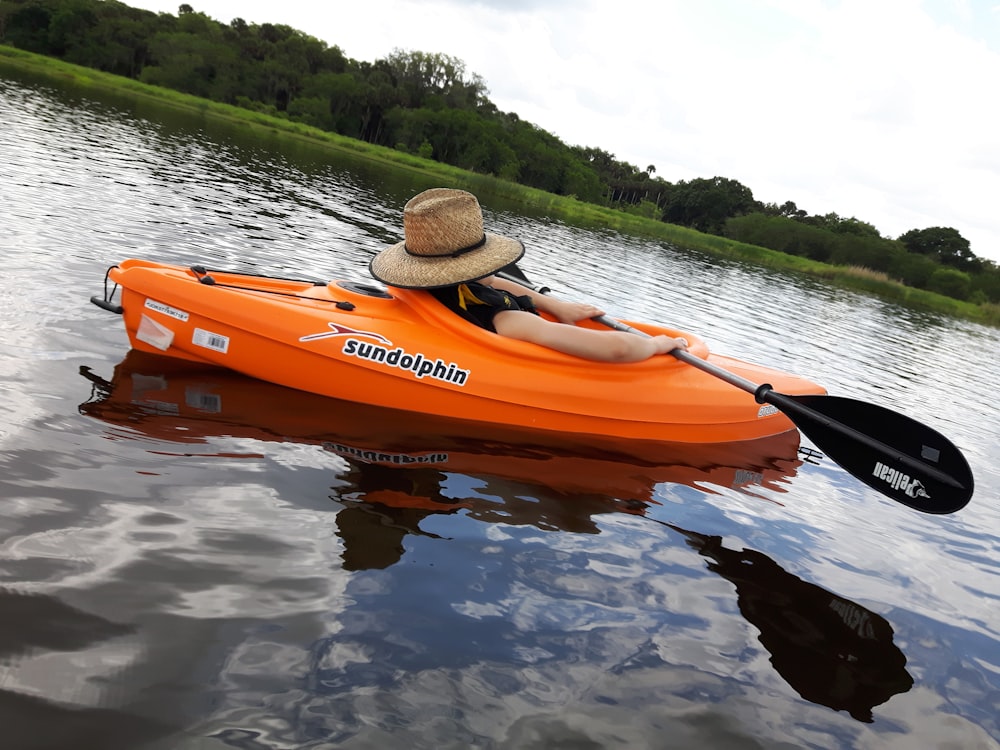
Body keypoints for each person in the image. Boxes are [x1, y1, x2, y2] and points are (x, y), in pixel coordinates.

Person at [369, 188, 687, 363]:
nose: (491, 274)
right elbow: (618, 349)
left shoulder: (429, 292)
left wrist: (553, 305)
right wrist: (659, 345)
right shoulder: (505, 319)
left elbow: (492, 282)